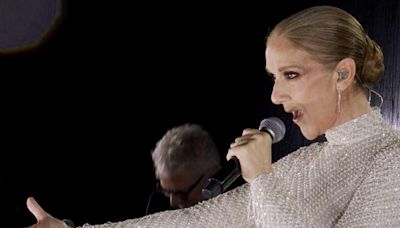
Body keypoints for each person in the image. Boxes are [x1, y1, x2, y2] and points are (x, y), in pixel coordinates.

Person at [25, 5, 400, 227]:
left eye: (291, 75)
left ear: (343, 74)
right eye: (273, 78)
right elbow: (194, 222)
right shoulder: (302, 163)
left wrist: (261, 178)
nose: (275, 95)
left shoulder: (392, 158)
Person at [146, 123, 221, 213]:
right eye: (166, 191)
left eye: (182, 195)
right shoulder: (158, 204)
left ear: (214, 174)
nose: (172, 202)